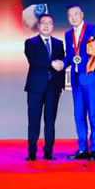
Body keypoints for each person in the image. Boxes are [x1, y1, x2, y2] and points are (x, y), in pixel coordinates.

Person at [55, 4, 95, 161]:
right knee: (78, 115)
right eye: (70, 15)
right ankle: (82, 148)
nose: (73, 17)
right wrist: (62, 63)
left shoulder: (92, 28)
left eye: (76, 14)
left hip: (91, 78)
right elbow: (70, 57)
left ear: (82, 14)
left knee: (93, 114)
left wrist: (91, 69)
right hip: (76, 79)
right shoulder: (68, 34)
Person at [24, 14, 66, 161]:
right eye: (43, 22)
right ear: (39, 25)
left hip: (53, 88)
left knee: (50, 120)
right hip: (35, 87)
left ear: (53, 26)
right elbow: (34, 61)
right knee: (34, 120)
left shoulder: (58, 44)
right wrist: (52, 64)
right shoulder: (31, 42)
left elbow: (61, 65)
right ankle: (32, 152)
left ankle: (48, 152)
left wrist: (61, 85)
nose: (46, 25)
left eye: (49, 23)